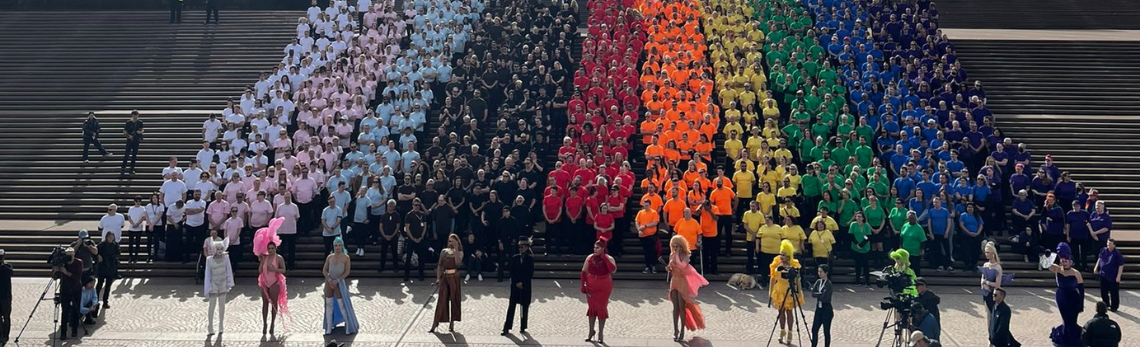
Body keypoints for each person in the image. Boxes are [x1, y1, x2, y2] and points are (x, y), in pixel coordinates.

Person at [668, 235, 709, 342]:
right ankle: (675, 330)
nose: (675, 248)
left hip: (682, 282)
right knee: (675, 307)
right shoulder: (672, 255)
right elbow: (672, 268)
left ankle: (682, 330)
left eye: (677, 246)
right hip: (674, 281)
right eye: (674, 246)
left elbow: (682, 266)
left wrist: (676, 256)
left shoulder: (685, 255)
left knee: (682, 307)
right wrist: (669, 267)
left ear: (681, 246)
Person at [254, 218, 288, 336]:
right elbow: (260, 271)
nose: (271, 250)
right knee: (264, 303)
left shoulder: (279, 258)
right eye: (269, 248)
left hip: (274, 282)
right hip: (265, 281)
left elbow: (283, 270)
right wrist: (261, 262)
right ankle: (264, 323)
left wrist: (275, 269)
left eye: (273, 248)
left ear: (275, 248)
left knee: (274, 303)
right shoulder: (265, 257)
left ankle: (273, 323)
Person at [1048, 242, 1084, 347]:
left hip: (1073, 297)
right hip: (1062, 296)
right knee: (1066, 320)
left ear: (1070, 261)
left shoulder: (1076, 273)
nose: (1064, 262)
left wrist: (1081, 304)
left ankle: (1075, 339)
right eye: (1062, 260)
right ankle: (1066, 340)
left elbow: (1081, 289)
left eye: (1066, 260)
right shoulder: (1057, 269)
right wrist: (1049, 255)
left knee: (1073, 320)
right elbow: (1045, 264)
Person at [769, 240, 804, 344]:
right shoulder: (776, 264)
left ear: (788, 256)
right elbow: (773, 278)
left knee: (789, 312)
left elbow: (797, 279)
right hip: (779, 290)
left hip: (789, 291)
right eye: (781, 254)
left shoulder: (794, 265)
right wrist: (770, 292)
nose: (781, 256)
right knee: (781, 312)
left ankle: (790, 332)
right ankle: (782, 330)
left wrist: (798, 291)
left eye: (784, 255)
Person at [581, 239, 616, 343]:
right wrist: (583, 285)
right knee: (591, 308)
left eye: (598, 247)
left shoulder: (609, 258)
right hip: (592, 284)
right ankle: (591, 331)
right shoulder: (590, 257)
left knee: (601, 308)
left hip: (604, 285)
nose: (595, 249)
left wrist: (605, 258)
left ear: (603, 248)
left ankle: (601, 332)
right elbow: (583, 272)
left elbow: (613, 270)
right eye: (594, 247)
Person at [322, 237, 359, 335]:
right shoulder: (329, 257)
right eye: (336, 245)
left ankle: (348, 324)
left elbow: (347, 272)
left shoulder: (346, 257)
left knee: (342, 304)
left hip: (339, 282)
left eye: (339, 245)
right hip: (329, 282)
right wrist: (329, 279)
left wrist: (337, 280)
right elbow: (324, 270)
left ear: (342, 246)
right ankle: (329, 326)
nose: (337, 247)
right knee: (328, 304)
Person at [502, 236, 535, 336]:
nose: (520, 249)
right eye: (519, 247)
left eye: (522, 247)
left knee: (524, 306)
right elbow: (511, 271)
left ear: (526, 247)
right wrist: (516, 282)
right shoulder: (515, 258)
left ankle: (523, 326)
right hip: (515, 286)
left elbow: (530, 273)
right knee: (511, 306)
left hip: (525, 286)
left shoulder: (530, 259)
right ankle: (507, 327)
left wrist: (522, 283)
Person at [431, 234, 463, 333]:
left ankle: (452, 322)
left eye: (453, 241)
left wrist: (456, 248)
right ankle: (435, 322)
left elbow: (457, 263)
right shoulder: (444, 251)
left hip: (454, 277)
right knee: (441, 299)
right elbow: (440, 265)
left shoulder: (460, 252)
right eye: (449, 241)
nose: (450, 243)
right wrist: (438, 278)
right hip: (445, 277)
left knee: (454, 299)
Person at [204, 239, 233, 336]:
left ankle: (221, 324)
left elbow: (229, 270)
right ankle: (210, 325)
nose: (220, 251)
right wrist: (207, 287)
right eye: (218, 249)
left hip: (223, 283)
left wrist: (229, 283)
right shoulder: (209, 260)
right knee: (212, 306)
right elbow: (207, 274)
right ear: (214, 249)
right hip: (213, 284)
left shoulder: (226, 258)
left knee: (222, 305)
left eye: (221, 249)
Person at [57, 248, 83, 339]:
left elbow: (77, 277)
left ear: (74, 254)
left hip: (76, 289)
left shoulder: (78, 262)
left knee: (76, 310)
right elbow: (55, 277)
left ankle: (74, 330)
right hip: (65, 289)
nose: (69, 257)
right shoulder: (63, 263)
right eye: (68, 255)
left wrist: (66, 272)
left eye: (71, 254)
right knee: (65, 311)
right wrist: (56, 269)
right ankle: (63, 332)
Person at [1093, 239, 1123, 312]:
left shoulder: (1117, 254)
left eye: (1110, 244)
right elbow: (1099, 259)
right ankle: (1106, 304)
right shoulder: (1103, 250)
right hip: (1103, 274)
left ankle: (1114, 306)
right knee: (1104, 291)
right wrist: (1096, 267)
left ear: (1114, 245)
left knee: (1114, 292)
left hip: (1113, 275)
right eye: (1107, 244)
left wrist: (1118, 276)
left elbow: (1120, 265)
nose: (1108, 245)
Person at [810, 264, 833, 347]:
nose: (819, 273)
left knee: (826, 331)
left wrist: (818, 294)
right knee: (814, 329)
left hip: (826, 309)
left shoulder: (829, 284)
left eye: (821, 272)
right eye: (818, 271)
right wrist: (819, 293)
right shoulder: (818, 282)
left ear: (826, 273)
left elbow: (825, 297)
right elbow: (813, 294)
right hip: (818, 309)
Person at [95, 231, 119, 309]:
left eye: (112, 237)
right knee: (99, 285)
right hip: (102, 267)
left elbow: (118, 253)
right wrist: (98, 257)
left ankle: (105, 301)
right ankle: (95, 300)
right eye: (109, 237)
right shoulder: (101, 245)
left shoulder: (115, 245)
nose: (111, 239)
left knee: (108, 286)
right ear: (106, 237)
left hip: (110, 267)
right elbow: (95, 253)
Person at [980, 241, 1004, 314]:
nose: (986, 254)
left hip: (993, 293)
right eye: (985, 252)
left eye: (988, 252)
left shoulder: (997, 267)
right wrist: (983, 285)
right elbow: (982, 278)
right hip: (986, 292)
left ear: (993, 253)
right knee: (987, 312)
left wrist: (987, 283)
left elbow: (997, 285)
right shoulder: (985, 265)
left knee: (993, 312)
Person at [121, 110, 144, 175]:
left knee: (134, 155)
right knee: (126, 154)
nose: (136, 117)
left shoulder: (140, 122)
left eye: (137, 115)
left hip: (136, 140)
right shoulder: (128, 122)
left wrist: (140, 132)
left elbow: (142, 129)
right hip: (129, 140)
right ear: (132, 115)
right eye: (134, 115)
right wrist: (128, 135)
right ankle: (123, 168)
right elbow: (124, 131)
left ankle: (131, 169)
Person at [0, 249, 9, 345]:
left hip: (5, 296)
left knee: (6, 317)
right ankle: (1, 335)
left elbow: (9, 271)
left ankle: (5, 335)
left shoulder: (6, 267)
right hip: (4, 296)